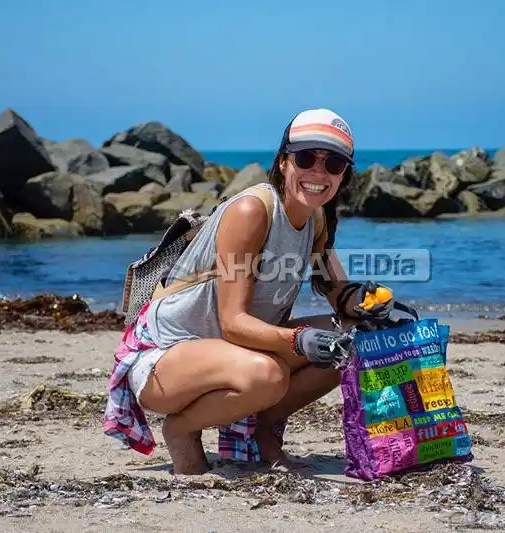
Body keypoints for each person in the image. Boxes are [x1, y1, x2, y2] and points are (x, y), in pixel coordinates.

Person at [104, 108, 406, 474]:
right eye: (307, 158)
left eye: (334, 164)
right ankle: (182, 427)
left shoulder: (317, 218)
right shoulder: (252, 210)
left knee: (354, 340)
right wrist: (301, 340)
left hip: (235, 352)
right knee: (268, 375)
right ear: (283, 162)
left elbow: (338, 294)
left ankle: (263, 430)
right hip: (166, 358)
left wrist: (376, 306)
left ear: (344, 174)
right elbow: (233, 323)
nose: (318, 173)